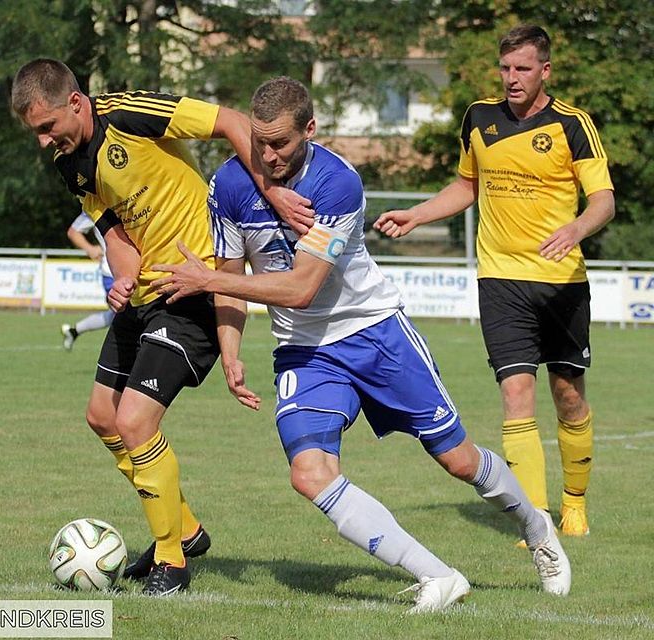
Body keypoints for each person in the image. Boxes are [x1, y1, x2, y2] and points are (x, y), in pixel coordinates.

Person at [152, 76, 571, 612]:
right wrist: (230, 352)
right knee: (309, 473)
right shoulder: (229, 186)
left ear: (310, 129)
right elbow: (231, 274)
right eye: (259, 142)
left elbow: (300, 288)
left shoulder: (337, 182)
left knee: (459, 461)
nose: (268, 154)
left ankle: (537, 529)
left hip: (375, 334)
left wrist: (208, 281)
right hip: (304, 351)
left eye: (279, 142)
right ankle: (438, 577)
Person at [11, 58, 312, 596]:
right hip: (144, 294)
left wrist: (271, 191)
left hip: (192, 287)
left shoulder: (129, 115)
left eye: (46, 127)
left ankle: (171, 563)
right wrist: (122, 280)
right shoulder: (68, 164)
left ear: (75, 104)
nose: (42, 141)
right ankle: (186, 528)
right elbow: (116, 233)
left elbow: (229, 120)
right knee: (101, 416)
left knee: (134, 420)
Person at [374, 25, 615, 540]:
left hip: (561, 282)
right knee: (516, 392)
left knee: (568, 395)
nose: (512, 78)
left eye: (523, 68)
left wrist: (576, 227)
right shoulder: (479, 118)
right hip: (500, 279)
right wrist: (418, 215)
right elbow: (466, 185)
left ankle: (575, 502)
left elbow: (604, 201)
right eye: (505, 68)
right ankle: (539, 523)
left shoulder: (574, 125)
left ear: (544, 70)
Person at [60, 210, 115, 350]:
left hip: (137, 269)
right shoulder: (96, 205)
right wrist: (90, 248)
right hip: (112, 273)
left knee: (117, 317)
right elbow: (73, 232)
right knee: (127, 318)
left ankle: (74, 331)